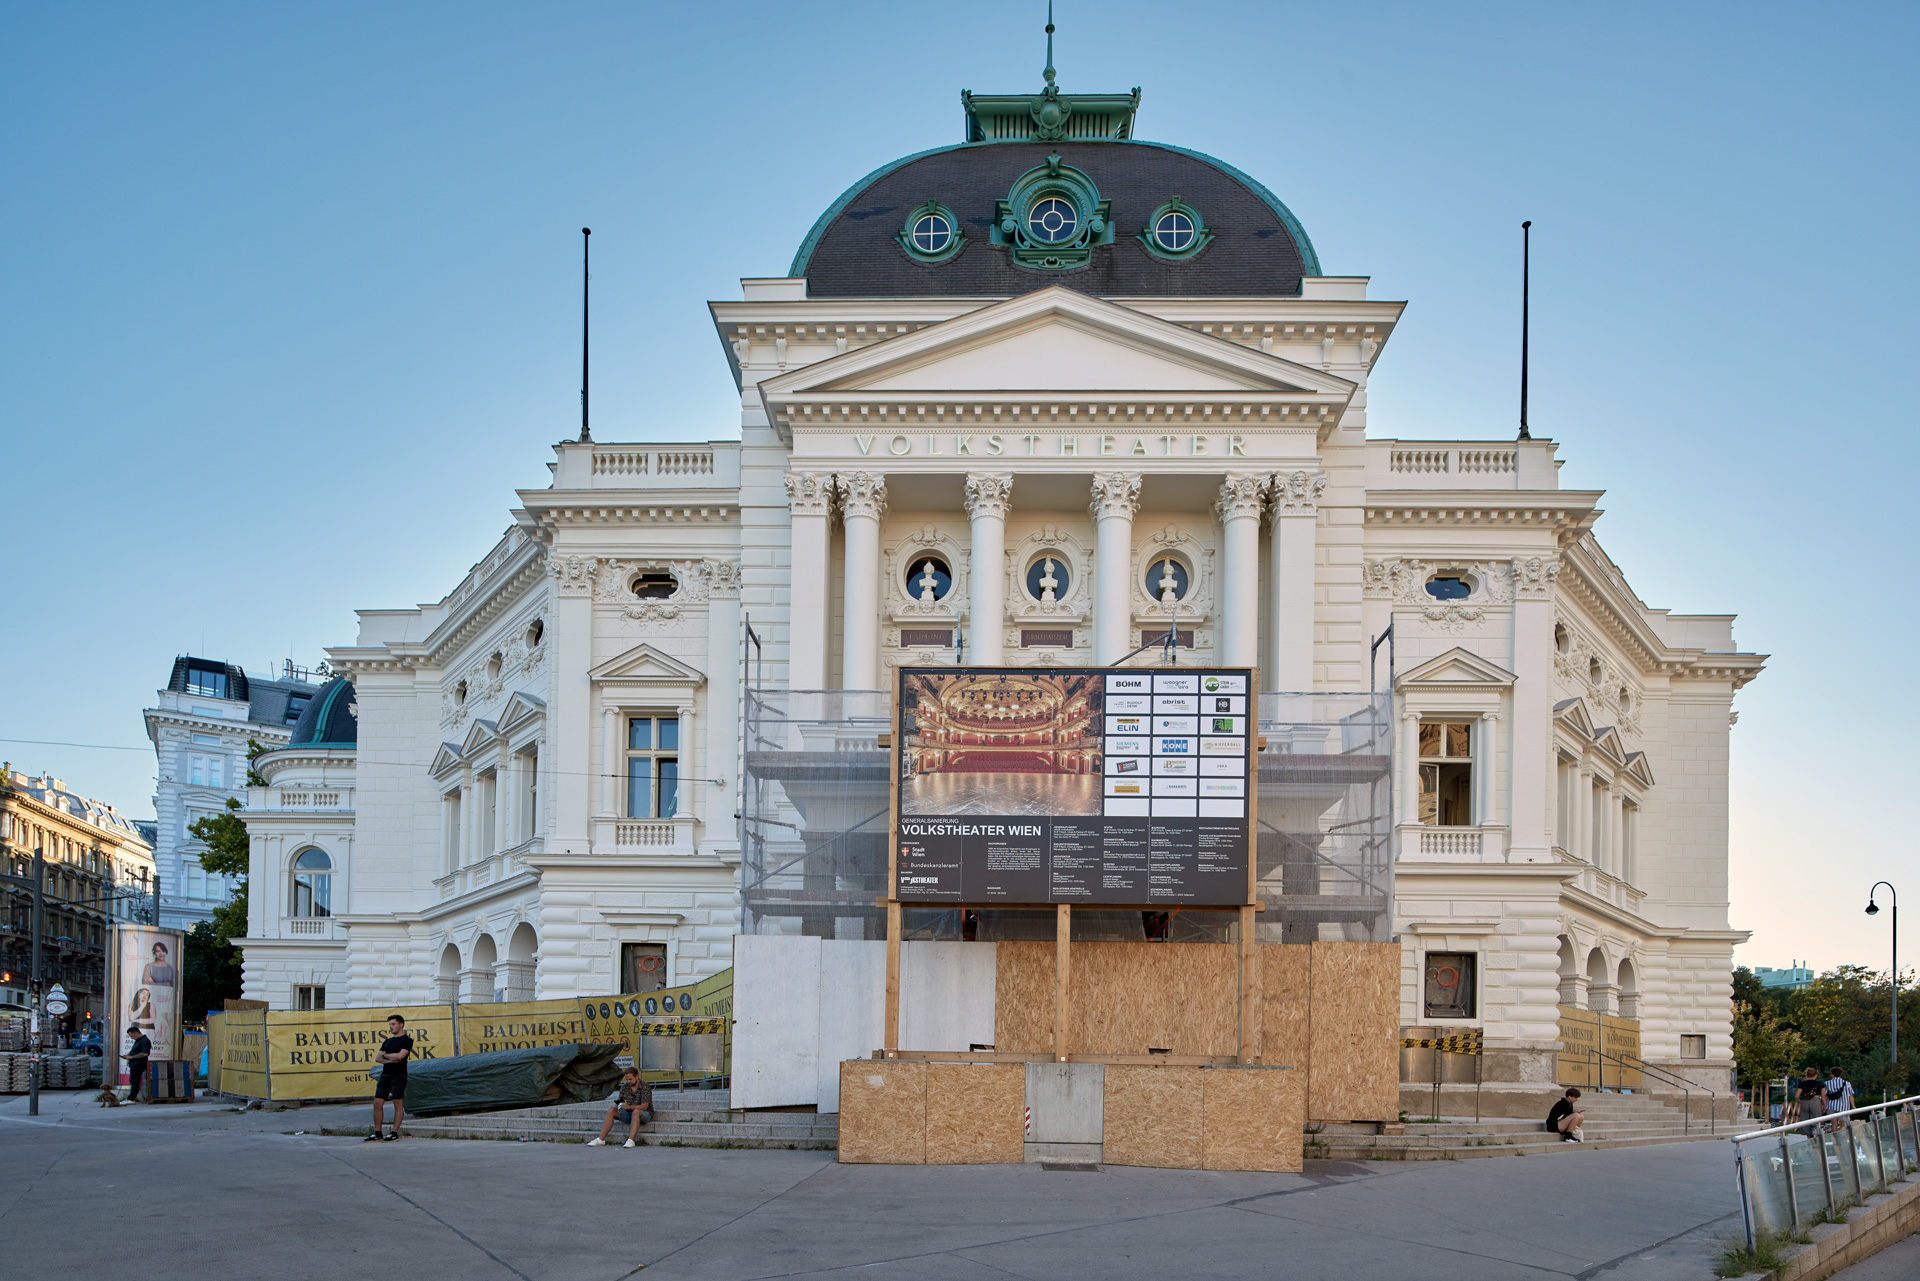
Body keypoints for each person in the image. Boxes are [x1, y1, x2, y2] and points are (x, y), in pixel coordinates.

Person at [367, 1015, 413, 1142]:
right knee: (377, 1102)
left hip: (399, 1075)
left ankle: (394, 1133)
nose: (391, 1027)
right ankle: (377, 1133)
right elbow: (377, 1058)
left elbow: (400, 1057)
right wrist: (390, 1059)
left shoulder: (407, 1040)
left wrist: (386, 1055)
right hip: (385, 1075)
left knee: (397, 1102)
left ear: (401, 1025)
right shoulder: (387, 1042)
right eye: (390, 1025)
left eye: (393, 1024)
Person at [587, 1068, 653, 1148]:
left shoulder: (645, 1087)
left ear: (637, 1077)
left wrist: (629, 1107)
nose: (628, 1081)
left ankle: (631, 1140)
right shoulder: (624, 1087)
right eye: (627, 1079)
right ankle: (601, 1139)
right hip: (628, 1113)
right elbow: (620, 1101)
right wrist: (620, 1105)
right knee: (611, 1110)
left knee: (636, 1111)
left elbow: (645, 1106)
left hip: (644, 1114)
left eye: (630, 1079)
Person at [125, 1027, 152, 1102]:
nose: (132, 1038)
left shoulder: (144, 1041)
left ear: (136, 1033)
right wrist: (127, 1056)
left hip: (139, 1064)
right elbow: (135, 1051)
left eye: (132, 1036)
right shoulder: (138, 1041)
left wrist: (132, 1057)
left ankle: (131, 1098)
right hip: (134, 1063)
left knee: (135, 1081)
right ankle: (131, 1097)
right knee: (133, 1080)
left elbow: (145, 1053)